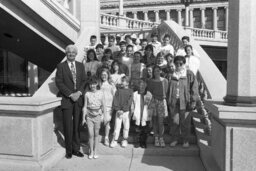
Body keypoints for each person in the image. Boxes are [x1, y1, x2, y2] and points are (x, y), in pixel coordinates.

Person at [55, 44, 86, 159]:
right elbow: (59, 82)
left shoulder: (80, 65)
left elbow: (84, 81)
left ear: (76, 54)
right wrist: (70, 94)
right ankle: (69, 150)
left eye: (73, 52)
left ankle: (76, 149)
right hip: (67, 100)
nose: (71, 54)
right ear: (66, 54)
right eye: (69, 52)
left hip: (78, 100)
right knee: (67, 126)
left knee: (77, 126)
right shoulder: (61, 66)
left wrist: (78, 93)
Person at [167, 56, 199, 148]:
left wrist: (193, 100)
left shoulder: (189, 74)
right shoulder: (171, 74)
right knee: (175, 121)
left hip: (185, 101)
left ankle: (185, 140)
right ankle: (175, 139)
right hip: (174, 101)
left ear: (184, 64)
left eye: (180, 63)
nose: (178, 65)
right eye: (176, 63)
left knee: (185, 122)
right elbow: (167, 88)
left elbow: (194, 87)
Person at [82, 77, 106, 159]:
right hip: (89, 116)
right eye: (91, 84)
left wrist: (104, 116)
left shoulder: (101, 93)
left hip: (98, 116)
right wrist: (83, 118)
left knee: (96, 134)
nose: (92, 85)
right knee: (90, 134)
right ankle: (91, 150)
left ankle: (95, 150)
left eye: (94, 84)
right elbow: (84, 107)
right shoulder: (87, 94)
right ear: (89, 85)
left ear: (97, 84)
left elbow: (104, 106)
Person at [147, 66, 168, 148]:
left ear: (160, 71)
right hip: (153, 101)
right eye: (155, 71)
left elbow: (166, 91)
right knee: (155, 120)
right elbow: (149, 92)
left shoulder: (165, 81)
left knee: (161, 121)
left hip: (162, 102)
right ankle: (156, 137)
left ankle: (161, 137)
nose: (157, 72)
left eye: (158, 70)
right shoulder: (151, 81)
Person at [110, 76, 133, 148]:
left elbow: (129, 102)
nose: (122, 82)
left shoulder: (130, 91)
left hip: (126, 112)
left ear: (127, 83)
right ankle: (115, 140)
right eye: (122, 81)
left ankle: (124, 140)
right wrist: (118, 109)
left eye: (123, 81)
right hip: (118, 112)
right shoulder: (118, 90)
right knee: (117, 126)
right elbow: (115, 100)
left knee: (126, 126)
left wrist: (123, 110)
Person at [132, 80, 153, 148]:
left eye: (144, 85)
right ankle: (137, 142)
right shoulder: (135, 94)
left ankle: (143, 142)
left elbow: (150, 105)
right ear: (138, 86)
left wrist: (150, 114)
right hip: (137, 114)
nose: (142, 86)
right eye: (140, 85)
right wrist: (132, 112)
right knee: (137, 130)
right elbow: (133, 104)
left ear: (146, 86)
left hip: (145, 114)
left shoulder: (148, 94)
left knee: (145, 130)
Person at [98, 69, 116, 147]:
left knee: (107, 121)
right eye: (102, 75)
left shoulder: (111, 84)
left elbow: (115, 95)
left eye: (105, 75)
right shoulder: (99, 84)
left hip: (109, 105)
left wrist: (113, 107)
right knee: (99, 121)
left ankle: (106, 137)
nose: (104, 76)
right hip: (100, 106)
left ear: (108, 75)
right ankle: (95, 136)